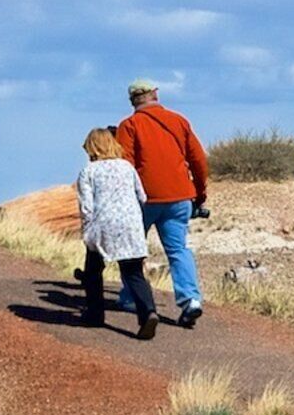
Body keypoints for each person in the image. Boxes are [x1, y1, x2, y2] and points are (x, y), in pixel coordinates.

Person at [111, 78, 209, 326]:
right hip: (180, 196)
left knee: (133, 249)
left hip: (143, 200)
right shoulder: (178, 121)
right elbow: (198, 160)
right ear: (155, 94)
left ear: (132, 100)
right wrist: (199, 193)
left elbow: (125, 166)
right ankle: (191, 300)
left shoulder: (129, 125)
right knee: (178, 250)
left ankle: (132, 297)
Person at [73, 127, 161, 338]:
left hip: (103, 225)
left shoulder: (89, 171)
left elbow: (86, 207)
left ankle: (95, 314)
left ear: (92, 147)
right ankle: (148, 312)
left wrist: (86, 230)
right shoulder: (127, 167)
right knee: (133, 272)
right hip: (130, 224)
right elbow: (142, 196)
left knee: (93, 270)